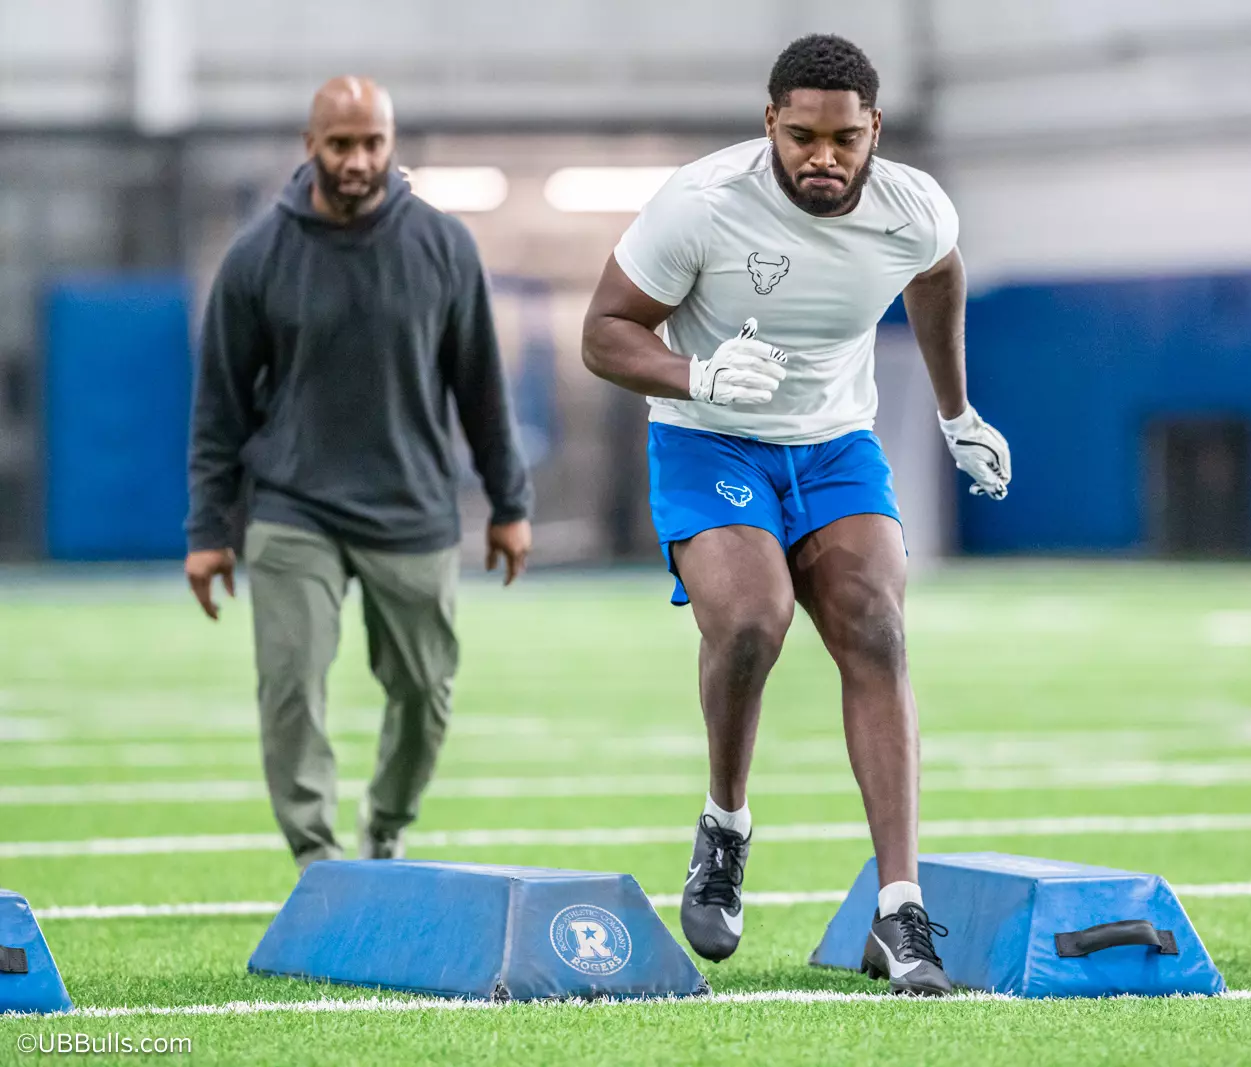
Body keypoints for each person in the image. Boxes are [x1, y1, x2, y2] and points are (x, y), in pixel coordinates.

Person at [581, 35, 1011, 995]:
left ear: (875, 130)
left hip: (833, 442)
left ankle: (899, 907)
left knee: (878, 626)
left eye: (844, 139)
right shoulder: (702, 202)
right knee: (750, 620)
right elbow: (603, 333)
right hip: (710, 438)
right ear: (770, 121)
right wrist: (697, 374)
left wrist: (957, 414)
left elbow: (939, 276)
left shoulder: (914, 207)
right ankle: (725, 823)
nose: (824, 157)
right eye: (803, 136)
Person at [183, 76, 533, 871]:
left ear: (390, 142)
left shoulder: (443, 246)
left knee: (425, 691)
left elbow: (482, 386)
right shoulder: (256, 256)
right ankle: (317, 857)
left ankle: (386, 826)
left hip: (412, 508)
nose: (358, 159)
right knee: (290, 684)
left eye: (372, 142)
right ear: (311, 145)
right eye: (340, 144)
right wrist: (207, 529)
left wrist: (510, 502)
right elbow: (219, 408)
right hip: (292, 507)